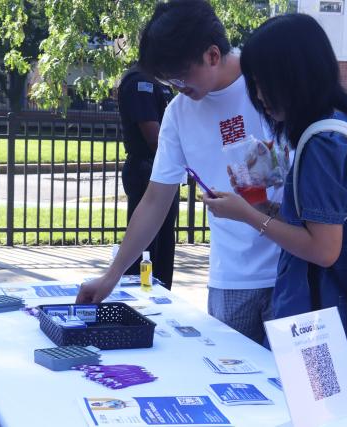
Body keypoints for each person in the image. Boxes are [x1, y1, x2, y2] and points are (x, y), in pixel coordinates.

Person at [77, 0, 282, 345]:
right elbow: (155, 200)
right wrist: (111, 277)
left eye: (180, 76)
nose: (176, 87)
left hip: (292, 271)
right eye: (167, 80)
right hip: (231, 279)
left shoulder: (268, 83)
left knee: (302, 393)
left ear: (212, 55)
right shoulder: (178, 114)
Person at [203, 14, 347, 407]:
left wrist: (250, 216)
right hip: (322, 313)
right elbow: (317, 225)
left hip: (320, 320)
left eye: (264, 83)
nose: (259, 96)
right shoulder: (334, 127)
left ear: (294, 75)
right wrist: (262, 205)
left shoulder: (323, 142)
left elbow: (323, 248)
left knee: (322, 413)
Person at [117, 65, 178, 289]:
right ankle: (142, 293)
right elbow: (153, 136)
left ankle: (161, 291)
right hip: (147, 166)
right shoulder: (140, 82)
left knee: (163, 241)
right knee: (146, 243)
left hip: (160, 166)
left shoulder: (157, 81)